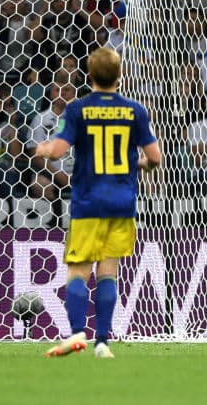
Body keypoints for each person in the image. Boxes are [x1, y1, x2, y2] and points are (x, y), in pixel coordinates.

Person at [37, 48, 162, 359]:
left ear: (89, 75)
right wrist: (141, 164)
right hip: (122, 204)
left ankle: (78, 332)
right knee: (108, 272)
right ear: (119, 76)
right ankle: (103, 342)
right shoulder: (135, 110)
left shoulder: (78, 109)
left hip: (88, 203)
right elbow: (155, 158)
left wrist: (43, 148)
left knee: (79, 272)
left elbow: (58, 151)